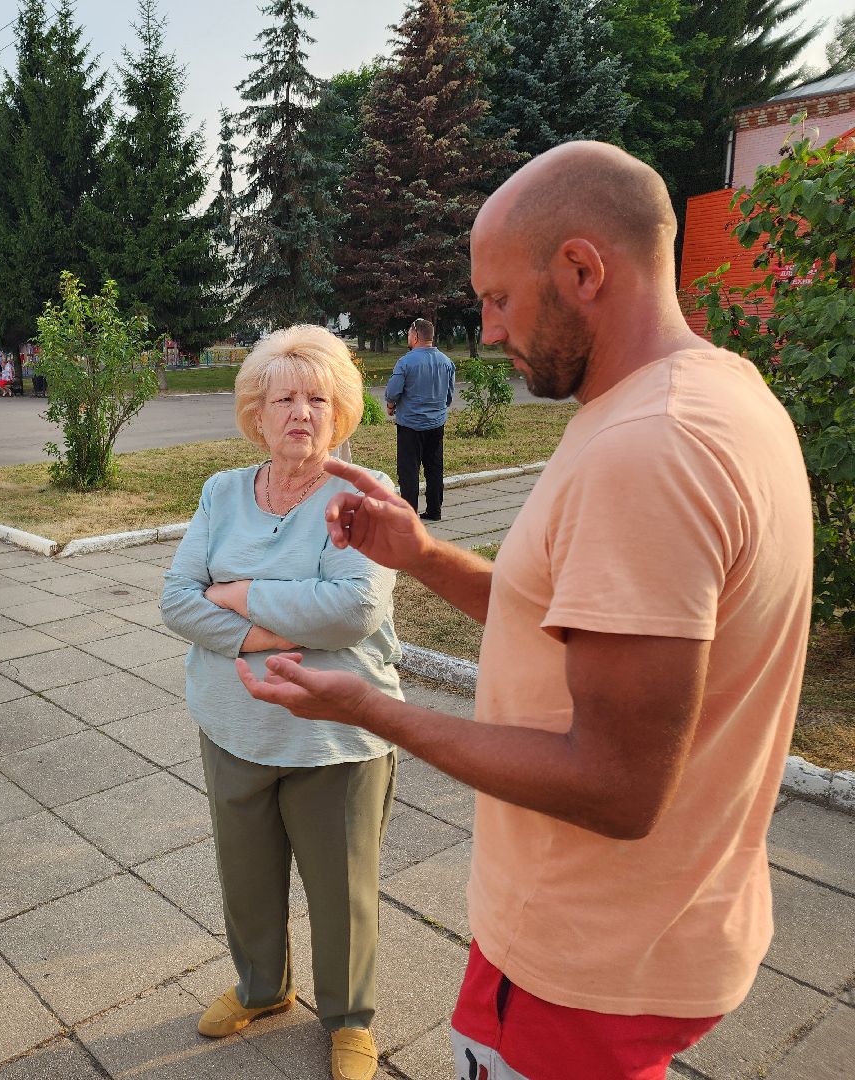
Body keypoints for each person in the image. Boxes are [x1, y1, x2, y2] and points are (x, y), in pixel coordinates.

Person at [237, 142, 813, 1079]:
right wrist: (421, 557)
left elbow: (615, 787)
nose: (490, 334)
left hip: (585, 960)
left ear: (584, 269)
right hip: (658, 928)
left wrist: (370, 707)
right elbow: (571, 618)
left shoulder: (649, 449)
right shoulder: (713, 396)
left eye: (500, 300)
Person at [161, 325, 402, 1080]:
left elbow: (353, 609)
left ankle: (349, 1019)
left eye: (318, 398)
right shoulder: (221, 492)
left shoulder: (362, 498)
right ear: (256, 414)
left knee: (342, 890)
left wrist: (234, 596)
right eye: (284, 398)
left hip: (335, 736)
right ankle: (263, 988)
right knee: (247, 875)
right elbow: (175, 599)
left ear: (341, 414)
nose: (301, 412)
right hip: (232, 724)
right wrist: (265, 632)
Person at [384, 318, 455, 521]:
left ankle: (409, 516)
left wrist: (390, 406)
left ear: (415, 336)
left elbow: (393, 391)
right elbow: (449, 396)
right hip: (436, 424)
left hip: (410, 426)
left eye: (408, 334)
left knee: (409, 471)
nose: (408, 337)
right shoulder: (446, 362)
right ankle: (434, 510)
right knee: (434, 468)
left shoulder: (405, 362)